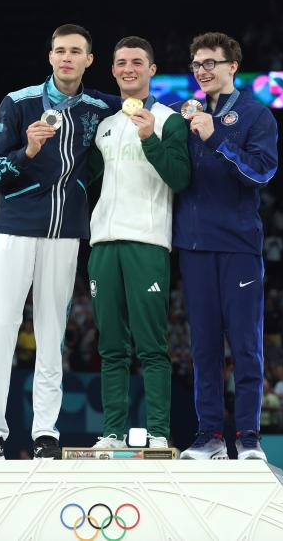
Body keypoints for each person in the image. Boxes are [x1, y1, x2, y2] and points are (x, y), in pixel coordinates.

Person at [0, 24, 119, 461]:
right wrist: (28, 151)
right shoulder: (18, 103)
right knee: (2, 328)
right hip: (15, 228)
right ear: (50, 56)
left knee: (52, 333)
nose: (66, 58)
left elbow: (140, 105)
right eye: (60, 51)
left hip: (65, 233)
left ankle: (45, 434)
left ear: (89, 60)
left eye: (75, 51)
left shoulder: (98, 107)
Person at [174, 32, 278, 461]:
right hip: (193, 245)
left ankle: (249, 436)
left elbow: (260, 173)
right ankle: (210, 435)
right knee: (203, 346)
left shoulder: (256, 115)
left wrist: (216, 137)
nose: (202, 71)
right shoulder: (184, 114)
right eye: (197, 64)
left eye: (210, 63)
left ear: (233, 66)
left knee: (245, 344)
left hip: (238, 245)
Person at [86, 37, 190, 451]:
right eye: (121, 63)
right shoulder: (106, 126)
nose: (128, 68)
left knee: (151, 346)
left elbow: (180, 178)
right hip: (102, 243)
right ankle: (111, 434)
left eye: (136, 62)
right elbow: (85, 179)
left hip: (146, 242)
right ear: (113, 70)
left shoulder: (169, 121)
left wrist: (149, 137)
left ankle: (159, 434)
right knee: (111, 347)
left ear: (152, 70)